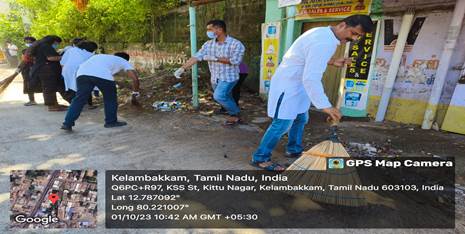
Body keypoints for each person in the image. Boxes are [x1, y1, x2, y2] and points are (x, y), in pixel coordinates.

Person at [251, 15, 374, 171]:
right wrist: (326, 106)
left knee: (301, 118)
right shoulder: (324, 42)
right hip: (288, 85)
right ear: (343, 25)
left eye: (358, 36)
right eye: (353, 33)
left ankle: (293, 149)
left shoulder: (322, 33)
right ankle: (260, 157)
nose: (354, 39)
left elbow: (306, 56)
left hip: (299, 85)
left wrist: (332, 61)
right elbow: (311, 78)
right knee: (281, 124)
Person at [174, 19, 245, 126]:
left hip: (229, 77)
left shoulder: (236, 44)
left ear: (219, 29)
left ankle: (235, 114)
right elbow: (196, 57)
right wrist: (182, 68)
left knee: (219, 96)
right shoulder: (208, 44)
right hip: (215, 77)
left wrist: (215, 58)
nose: (208, 32)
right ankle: (232, 112)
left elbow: (236, 61)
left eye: (209, 29)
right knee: (226, 96)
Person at [61, 52, 140, 131]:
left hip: (82, 74)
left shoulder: (100, 56)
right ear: (126, 59)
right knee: (110, 99)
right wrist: (135, 93)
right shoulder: (123, 61)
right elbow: (135, 79)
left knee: (79, 99)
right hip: (101, 75)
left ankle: (67, 123)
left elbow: (96, 72)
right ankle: (111, 122)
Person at [30, 35, 72, 111]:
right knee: (49, 88)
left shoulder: (40, 45)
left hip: (43, 69)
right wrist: (64, 57)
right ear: (53, 41)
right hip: (46, 70)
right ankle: (52, 106)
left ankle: (55, 104)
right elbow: (51, 57)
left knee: (50, 87)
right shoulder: (46, 46)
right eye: (57, 43)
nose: (57, 45)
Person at [60, 40, 98, 108]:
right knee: (86, 86)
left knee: (71, 87)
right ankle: (89, 104)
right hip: (81, 71)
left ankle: (73, 104)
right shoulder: (90, 54)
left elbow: (62, 62)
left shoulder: (71, 50)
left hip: (67, 70)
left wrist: (64, 72)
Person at [18, 36, 42, 106]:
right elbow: (23, 60)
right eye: (27, 42)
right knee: (28, 84)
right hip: (26, 69)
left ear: (34, 42)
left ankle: (48, 100)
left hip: (35, 69)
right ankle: (32, 100)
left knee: (40, 83)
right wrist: (19, 67)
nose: (28, 43)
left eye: (30, 42)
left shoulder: (38, 50)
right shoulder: (24, 50)